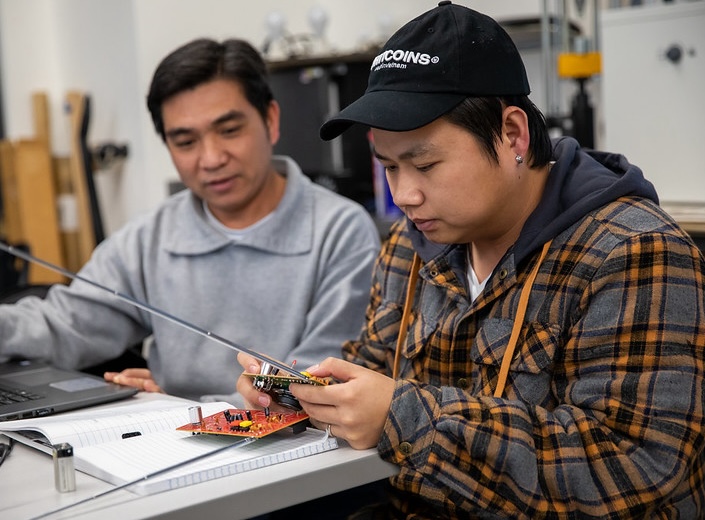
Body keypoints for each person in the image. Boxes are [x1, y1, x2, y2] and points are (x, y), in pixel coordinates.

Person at [237, 2, 705, 518]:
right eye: (389, 167)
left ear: (512, 135)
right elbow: (370, 374)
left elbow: (632, 466)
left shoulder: (631, 252)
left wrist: (402, 416)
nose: (405, 196)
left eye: (425, 163)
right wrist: (301, 396)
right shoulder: (408, 248)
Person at [0, 38, 380, 404]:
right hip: (174, 441)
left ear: (271, 119)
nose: (211, 158)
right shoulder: (149, 239)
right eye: (185, 142)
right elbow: (63, 324)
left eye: (229, 131)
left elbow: (314, 382)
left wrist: (181, 409)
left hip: (296, 452)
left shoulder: (341, 232)